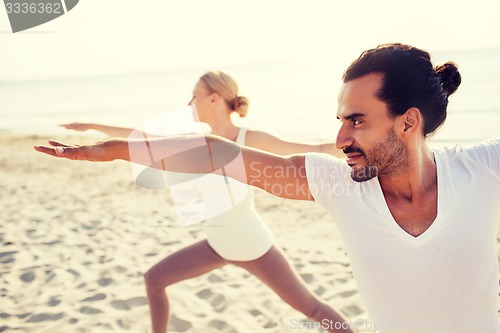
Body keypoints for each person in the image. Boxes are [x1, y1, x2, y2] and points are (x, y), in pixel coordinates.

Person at [35, 43, 500, 333]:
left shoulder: (482, 170)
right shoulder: (337, 184)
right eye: (340, 121)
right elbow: (213, 152)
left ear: (409, 122)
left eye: (357, 121)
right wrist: (111, 150)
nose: (341, 140)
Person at [55, 71, 351, 333]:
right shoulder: (198, 141)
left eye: (194, 96)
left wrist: (359, 149)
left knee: (313, 309)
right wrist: (92, 126)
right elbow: (143, 138)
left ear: (214, 98)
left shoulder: (251, 138)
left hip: (252, 245)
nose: (190, 103)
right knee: (154, 280)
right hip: (216, 245)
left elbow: (318, 149)